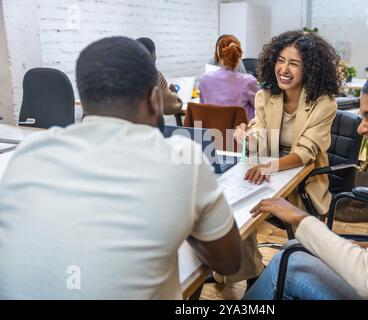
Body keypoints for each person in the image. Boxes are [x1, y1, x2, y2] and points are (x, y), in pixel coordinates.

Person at [0, 36, 242, 299]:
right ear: (154, 100)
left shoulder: (28, 153)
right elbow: (229, 262)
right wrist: (186, 217)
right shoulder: (182, 157)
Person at [245, 34, 368, 300]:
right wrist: (364, 245)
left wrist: (298, 217)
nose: (361, 127)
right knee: (294, 252)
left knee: (290, 263)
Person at [211, 30, 342, 287]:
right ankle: (252, 273)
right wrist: (247, 136)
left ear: (310, 69)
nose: (284, 68)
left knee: (247, 205)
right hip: (268, 170)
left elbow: (305, 153)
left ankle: (258, 278)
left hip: (303, 182)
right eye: (281, 60)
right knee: (230, 204)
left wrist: (269, 166)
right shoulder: (265, 96)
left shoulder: (324, 103)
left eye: (294, 63)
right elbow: (261, 133)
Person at [199, 34, 259, 120]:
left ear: (218, 55)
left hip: (210, 131)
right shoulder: (249, 82)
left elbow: (202, 109)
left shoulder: (204, 79)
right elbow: (261, 108)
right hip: (240, 131)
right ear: (239, 54)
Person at [136, 37, 183, 115]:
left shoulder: (120, 73)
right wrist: (175, 94)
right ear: (153, 55)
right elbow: (171, 106)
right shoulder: (155, 76)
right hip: (145, 125)